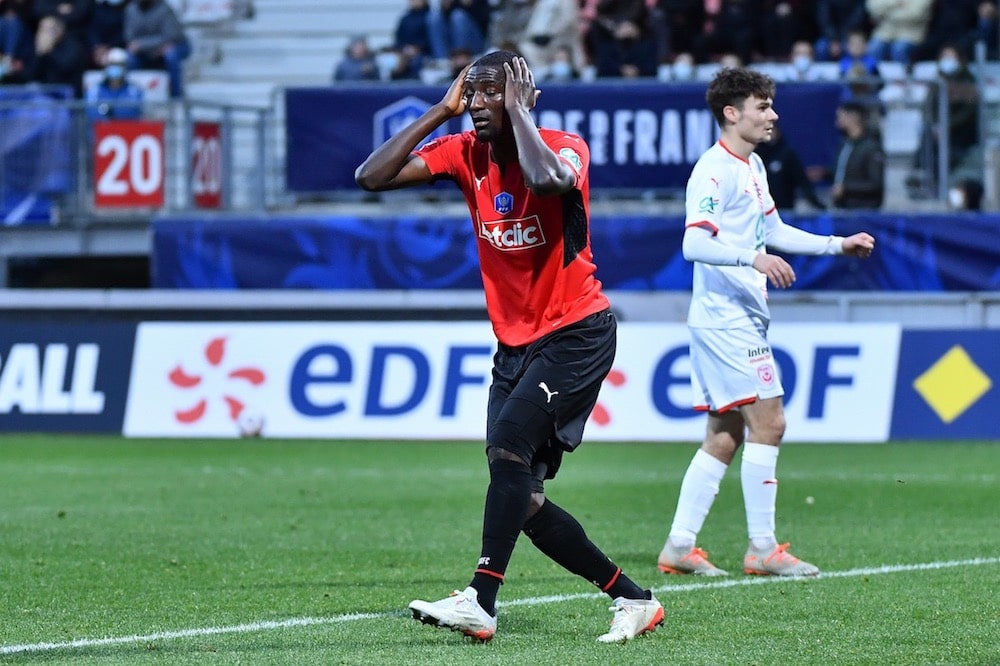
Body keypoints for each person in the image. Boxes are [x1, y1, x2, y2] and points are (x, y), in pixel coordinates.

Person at [355, 50, 664, 643]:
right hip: (515, 345)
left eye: (492, 93)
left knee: (506, 447)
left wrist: (520, 110)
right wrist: (439, 110)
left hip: (576, 331)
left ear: (523, 98)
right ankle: (633, 599)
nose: (479, 105)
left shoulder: (564, 147)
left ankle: (480, 599)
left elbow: (549, 180)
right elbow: (372, 177)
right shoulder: (463, 151)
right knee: (520, 495)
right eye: (473, 94)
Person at [656, 67, 875, 578]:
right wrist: (751, 260)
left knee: (725, 434)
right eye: (762, 106)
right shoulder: (713, 170)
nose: (773, 114)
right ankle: (762, 548)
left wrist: (833, 244)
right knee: (770, 422)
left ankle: (679, 546)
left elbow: (770, 227)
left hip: (738, 317)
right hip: (725, 320)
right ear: (732, 114)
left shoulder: (752, 164)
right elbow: (694, 243)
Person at [123, 0, 190, 98]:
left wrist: (142, 45)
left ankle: (176, 96)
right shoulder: (131, 9)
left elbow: (170, 36)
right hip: (146, 50)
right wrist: (147, 46)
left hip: (175, 45)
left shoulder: (164, 8)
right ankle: (135, 96)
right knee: (129, 57)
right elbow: (130, 37)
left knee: (171, 55)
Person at [754, 123, 826, 210]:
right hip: (760, 211)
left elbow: (802, 180)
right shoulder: (755, 156)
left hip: (784, 210)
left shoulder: (787, 155)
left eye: (771, 129)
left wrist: (817, 204)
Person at [830, 100, 884, 209]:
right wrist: (822, 173)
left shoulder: (871, 148)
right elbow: (843, 170)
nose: (837, 122)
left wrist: (845, 188)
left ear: (853, 118)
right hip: (843, 206)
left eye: (841, 117)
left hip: (863, 210)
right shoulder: (846, 144)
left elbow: (875, 184)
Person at [86, 46, 143, 121]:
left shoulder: (134, 90)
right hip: (102, 130)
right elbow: (92, 113)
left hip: (127, 130)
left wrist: (110, 111)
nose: (115, 67)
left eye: (119, 65)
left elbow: (133, 112)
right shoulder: (95, 90)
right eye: (111, 64)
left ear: (125, 67)